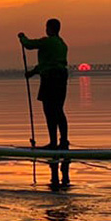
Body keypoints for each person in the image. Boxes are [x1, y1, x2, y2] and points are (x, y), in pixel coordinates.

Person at [19, 18, 69, 150]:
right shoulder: (62, 44)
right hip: (61, 78)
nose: (46, 30)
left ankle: (53, 143)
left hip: (50, 79)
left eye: (47, 27)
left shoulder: (47, 42)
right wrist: (32, 72)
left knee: (49, 110)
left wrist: (22, 37)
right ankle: (63, 142)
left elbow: (29, 45)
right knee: (58, 110)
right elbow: (47, 63)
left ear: (51, 28)